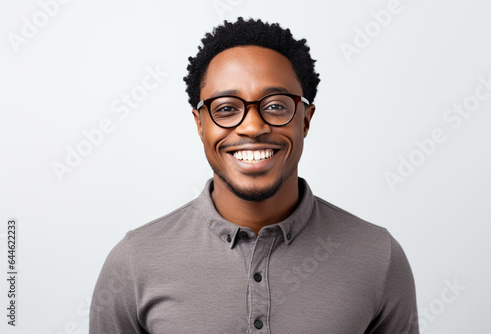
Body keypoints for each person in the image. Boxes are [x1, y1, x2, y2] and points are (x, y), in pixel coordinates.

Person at [90, 17, 419, 333]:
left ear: (305, 119)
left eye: (276, 105)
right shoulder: (134, 262)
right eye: (226, 108)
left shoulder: (379, 257)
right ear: (199, 124)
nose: (252, 126)